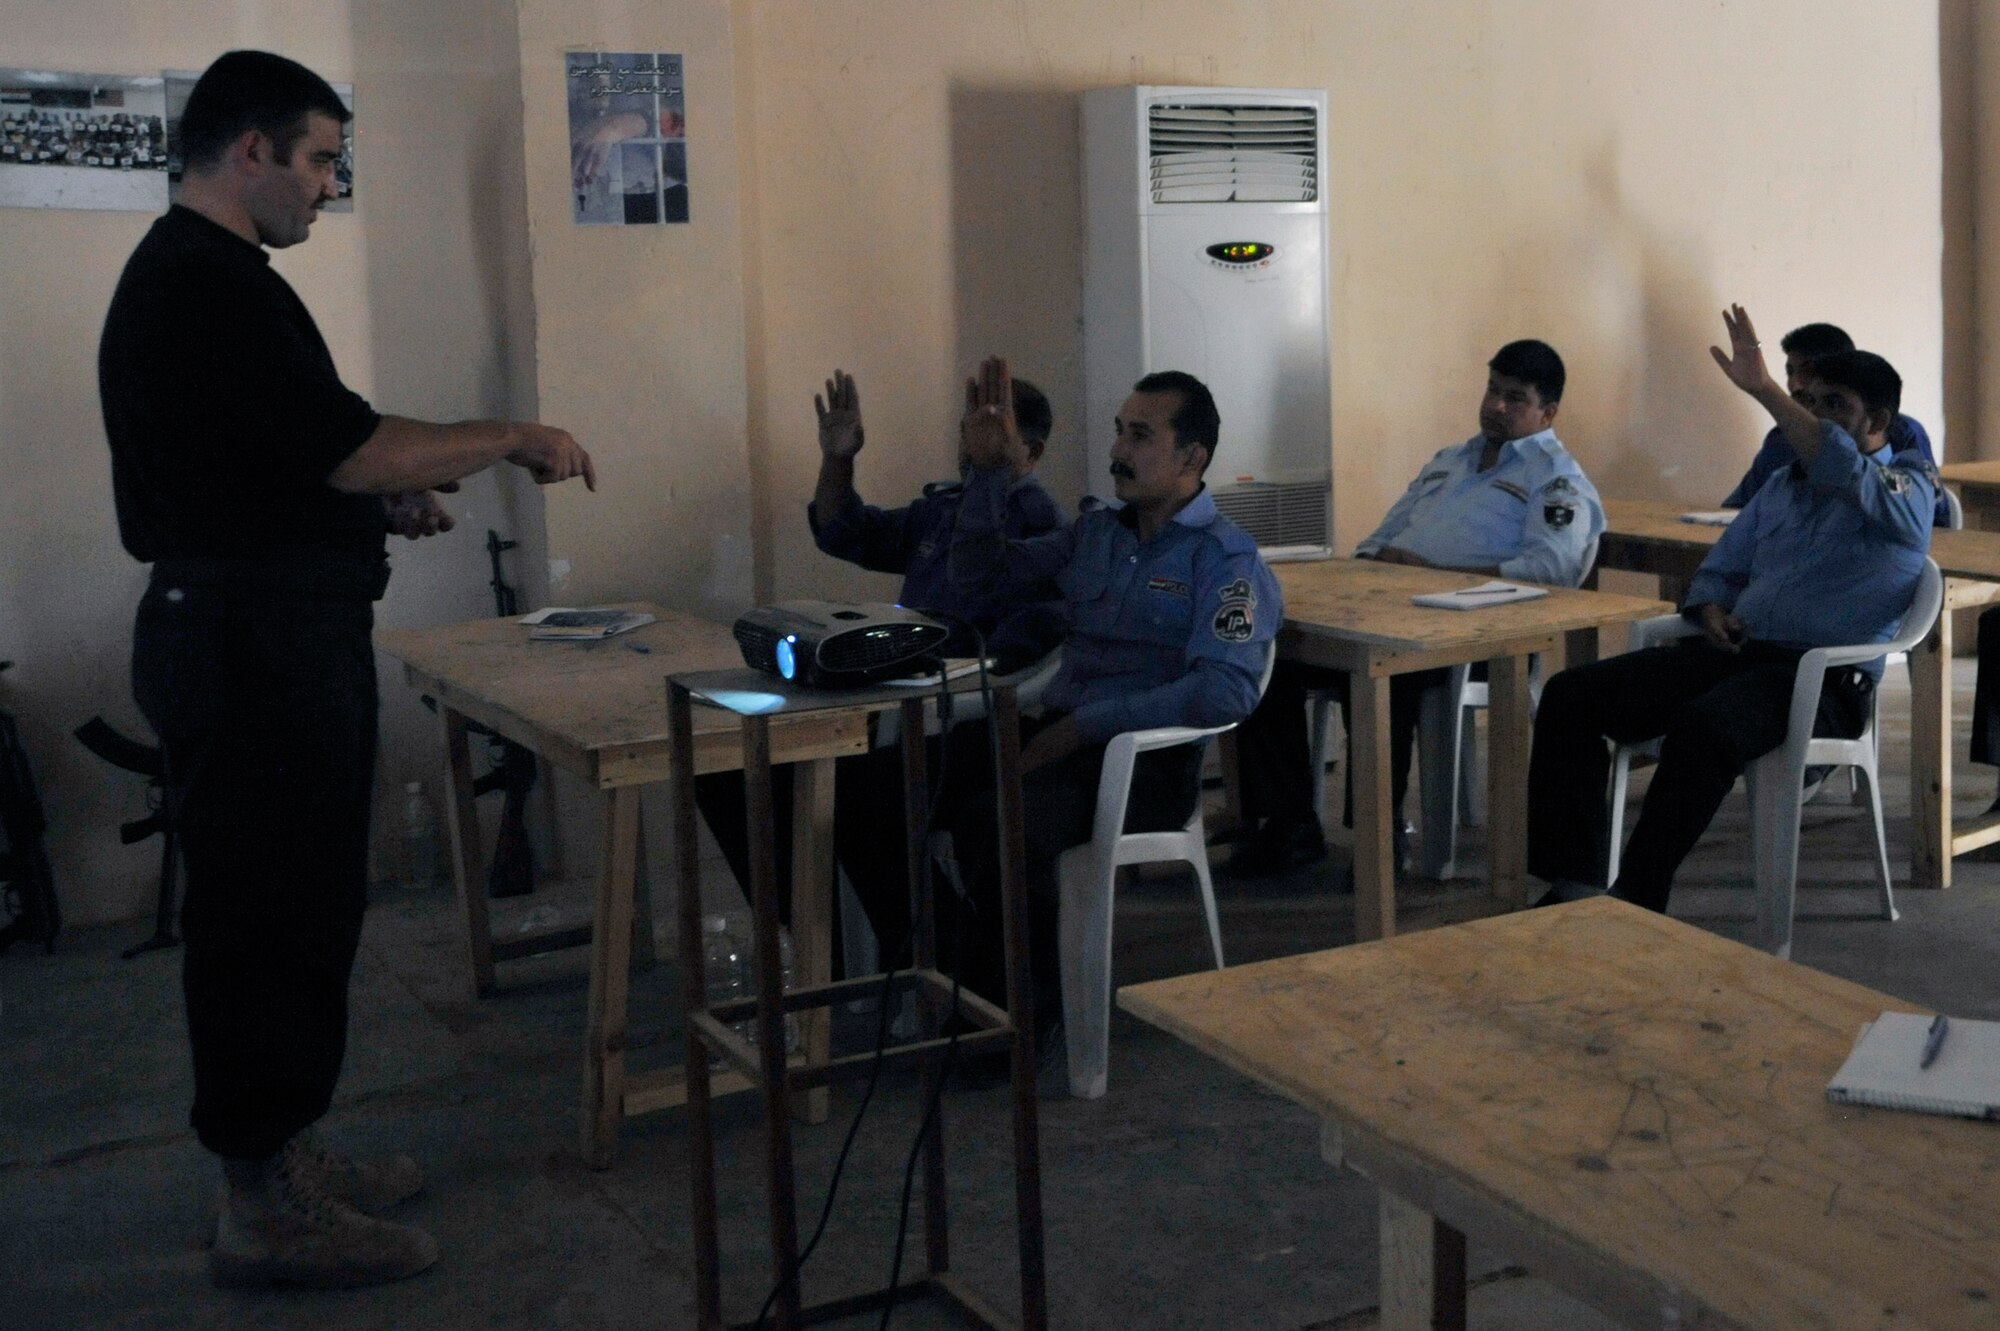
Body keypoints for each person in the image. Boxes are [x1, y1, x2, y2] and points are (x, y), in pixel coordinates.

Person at [98, 50, 595, 1290]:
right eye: (318, 160)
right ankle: (263, 1202)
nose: (327, 187)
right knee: (267, 911)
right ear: (251, 150)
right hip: (249, 640)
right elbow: (351, 443)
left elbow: (281, 464)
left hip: (257, 623)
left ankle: (280, 1153)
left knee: (297, 903)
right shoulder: (207, 283)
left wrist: (367, 510)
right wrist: (510, 435)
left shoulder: (212, 280)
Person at [1527, 306, 1933, 914]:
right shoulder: (1782, 486)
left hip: (1821, 682)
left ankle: (1637, 896)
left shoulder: (1906, 488)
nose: (1814, 416)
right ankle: (1575, 884)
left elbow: (1842, 464)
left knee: (1704, 727)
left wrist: (1766, 390)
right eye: (1810, 401)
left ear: (1877, 421)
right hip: (1743, 655)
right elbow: (1724, 565)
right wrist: (1710, 605)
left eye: (1834, 406)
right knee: (1571, 695)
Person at [938, 358, 1280, 1050]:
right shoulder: (1097, 533)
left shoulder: (1226, 560)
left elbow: (1226, 687)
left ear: (1192, 457)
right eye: (1120, 431)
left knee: (997, 819)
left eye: (1141, 436)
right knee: (879, 789)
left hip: (1139, 765)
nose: (1119, 451)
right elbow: (977, 582)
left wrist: (1087, 727)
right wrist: (987, 474)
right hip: (1056, 735)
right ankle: (951, 975)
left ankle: (1016, 1019)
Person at [693, 368, 1067, 962]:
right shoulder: (943, 509)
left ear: (1033, 450)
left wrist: (923, 673)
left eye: (992, 429)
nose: (973, 444)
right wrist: (838, 460)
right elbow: (845, 532)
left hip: (967, 722)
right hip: (893, 699)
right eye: (969, 429)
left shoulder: (1042, 527)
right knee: (725, 769)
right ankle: (830, 957)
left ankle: (946, 967)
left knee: (841, 790)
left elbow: (1020, 660)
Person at [1229, 340, 1603, 876]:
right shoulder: (1450, 460)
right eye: (1492, 390)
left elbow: (1555, 569)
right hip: (1388, 607)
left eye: (1515, 399)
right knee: (1262, 653)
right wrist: (1374, 567)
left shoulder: (1555, 478)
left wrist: (1438, 578)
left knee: (1385, 671)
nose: (1496, 406)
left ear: (1548, 412)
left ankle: (1379, 839)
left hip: (1470, 632)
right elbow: (1380, 536)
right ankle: (1289, 821)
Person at [1722, 321, 1949, 527]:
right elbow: (1741, 508)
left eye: (1833, 403)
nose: (1794, 385)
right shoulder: (1781, 441)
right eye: (1789, 372)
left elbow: (1934, 520)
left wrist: (1765, 389)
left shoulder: (1904, 440)